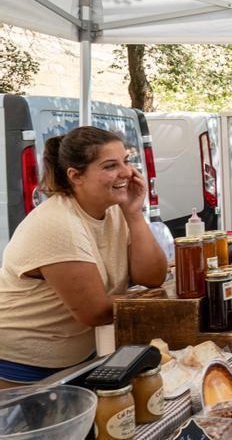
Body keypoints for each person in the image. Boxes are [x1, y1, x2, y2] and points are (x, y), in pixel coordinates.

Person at [0, 127, 167, 388]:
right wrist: (148, 301)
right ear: (76, 176)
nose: (126, 172)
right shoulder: (58, 222)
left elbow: (153, 276)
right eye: (111, 165)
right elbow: (96, 311)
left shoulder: (113, 211)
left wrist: (134, 213)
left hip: (73, 358)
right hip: (19, 367)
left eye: (126, 160)